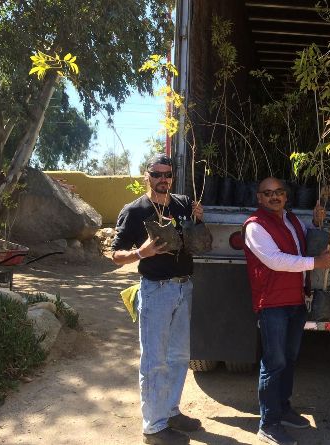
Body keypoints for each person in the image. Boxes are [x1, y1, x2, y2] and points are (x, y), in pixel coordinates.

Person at [111, 153, 204, 445]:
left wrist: (197, 219)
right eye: (156, 174)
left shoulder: (182, 203)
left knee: (178, 356)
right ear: (146, 175)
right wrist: (141, 253)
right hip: (156, 290)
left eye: (167, 174)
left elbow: (193, 236)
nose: (162, 179)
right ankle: (153, 427)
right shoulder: (135, 210)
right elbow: (115, 255)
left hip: (183, 287)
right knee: (154, 360)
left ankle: (170, 411)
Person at [243, 177, 330, 445]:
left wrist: (317, 225)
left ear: (286, 196)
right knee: (274, 363)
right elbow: (274, 260)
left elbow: (303, 243)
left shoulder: (293, 221)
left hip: (295, 300)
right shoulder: (255, 226)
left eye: (279, 192)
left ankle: (283, 408)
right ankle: (268, 423)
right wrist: (315, 263)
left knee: (290, 358)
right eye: (268, 193)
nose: (274, 197)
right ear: (259, 198)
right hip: (272, 303)